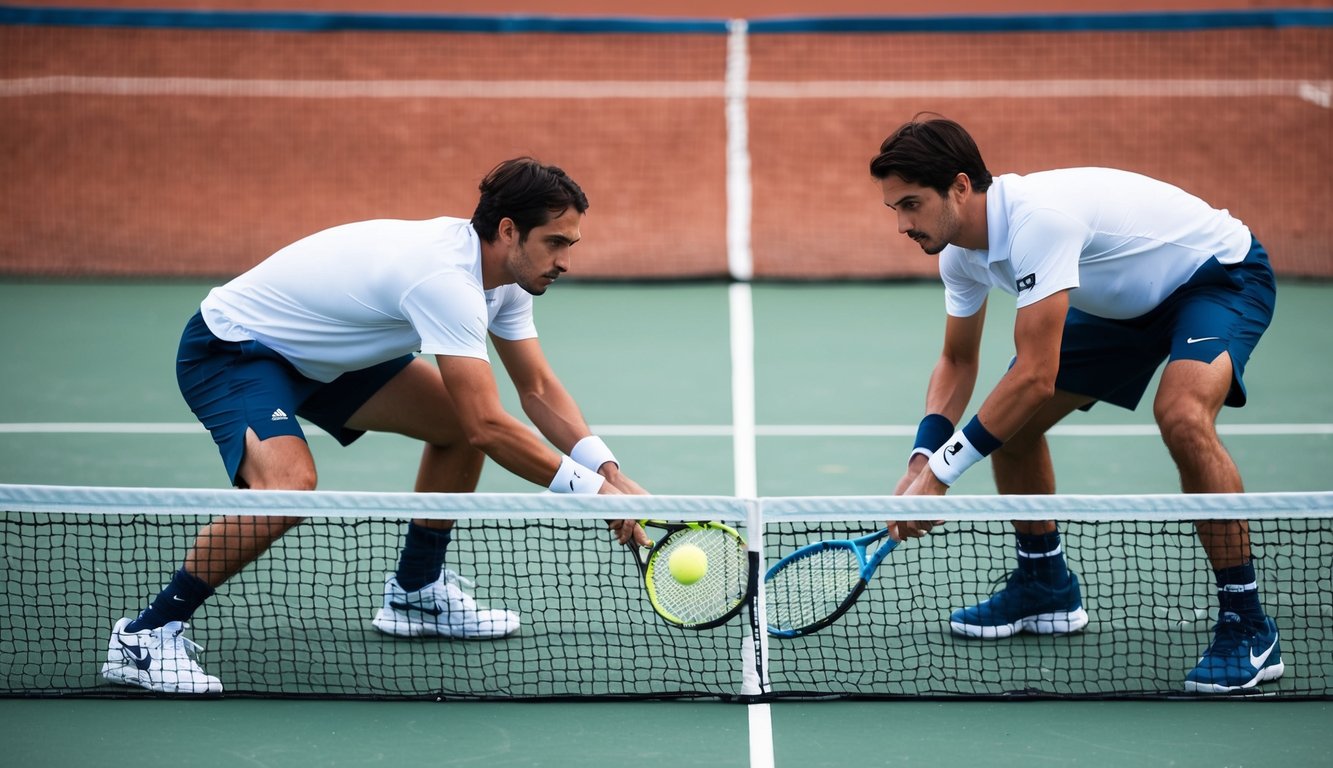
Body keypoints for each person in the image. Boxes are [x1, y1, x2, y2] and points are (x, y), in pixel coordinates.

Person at [100, 158, 650, 694]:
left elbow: (537, 390)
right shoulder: (446, 281)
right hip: (236, 348)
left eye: (570, 245)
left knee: (451, 425)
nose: (565, 260)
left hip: (327, 355)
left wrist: (606, 469)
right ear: (509, 231)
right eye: (556, 242)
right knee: (289, 489)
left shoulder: (505, 279)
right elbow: (488, 423)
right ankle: (146, 635)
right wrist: (593, 493)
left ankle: (415, 591)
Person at [871, 116, 1283, 694]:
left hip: (1215, 278)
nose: (902, 224)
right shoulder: (958, 254)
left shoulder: (1039, 221)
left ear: (960, 187)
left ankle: (1248, 625)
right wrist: (921, 457)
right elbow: (958, 362)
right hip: (1122, 306)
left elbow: (1037, 377)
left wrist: (941, 476)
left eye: (911, 204)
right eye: (894, 208)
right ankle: (1045, 584)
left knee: (1182, 414)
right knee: (1011, 427)